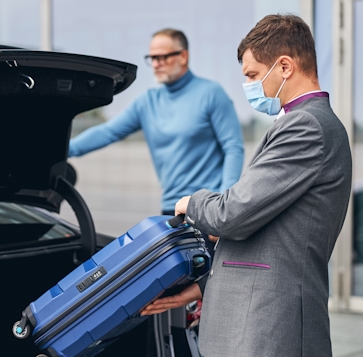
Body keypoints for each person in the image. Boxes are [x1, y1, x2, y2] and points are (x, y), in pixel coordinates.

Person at [141, 14, 353, 357]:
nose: (250, 86)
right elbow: (270, 235)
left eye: (254, 76)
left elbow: (234, 214)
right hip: (243, 334)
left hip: (269, 338)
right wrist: (201, 288)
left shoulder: (307, 127)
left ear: (285, 66)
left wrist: (192, 202)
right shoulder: (295, 124)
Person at [68, 29, 244, 220]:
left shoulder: (211, 93)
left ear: (183, 56)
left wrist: (223, 206)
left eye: (163, 57)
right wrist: (60, 150)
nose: (156, 64)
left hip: (208, 206)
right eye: (152, 58)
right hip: (172, 207)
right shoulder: (147, 102)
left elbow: (233, 148)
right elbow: (107, 132)